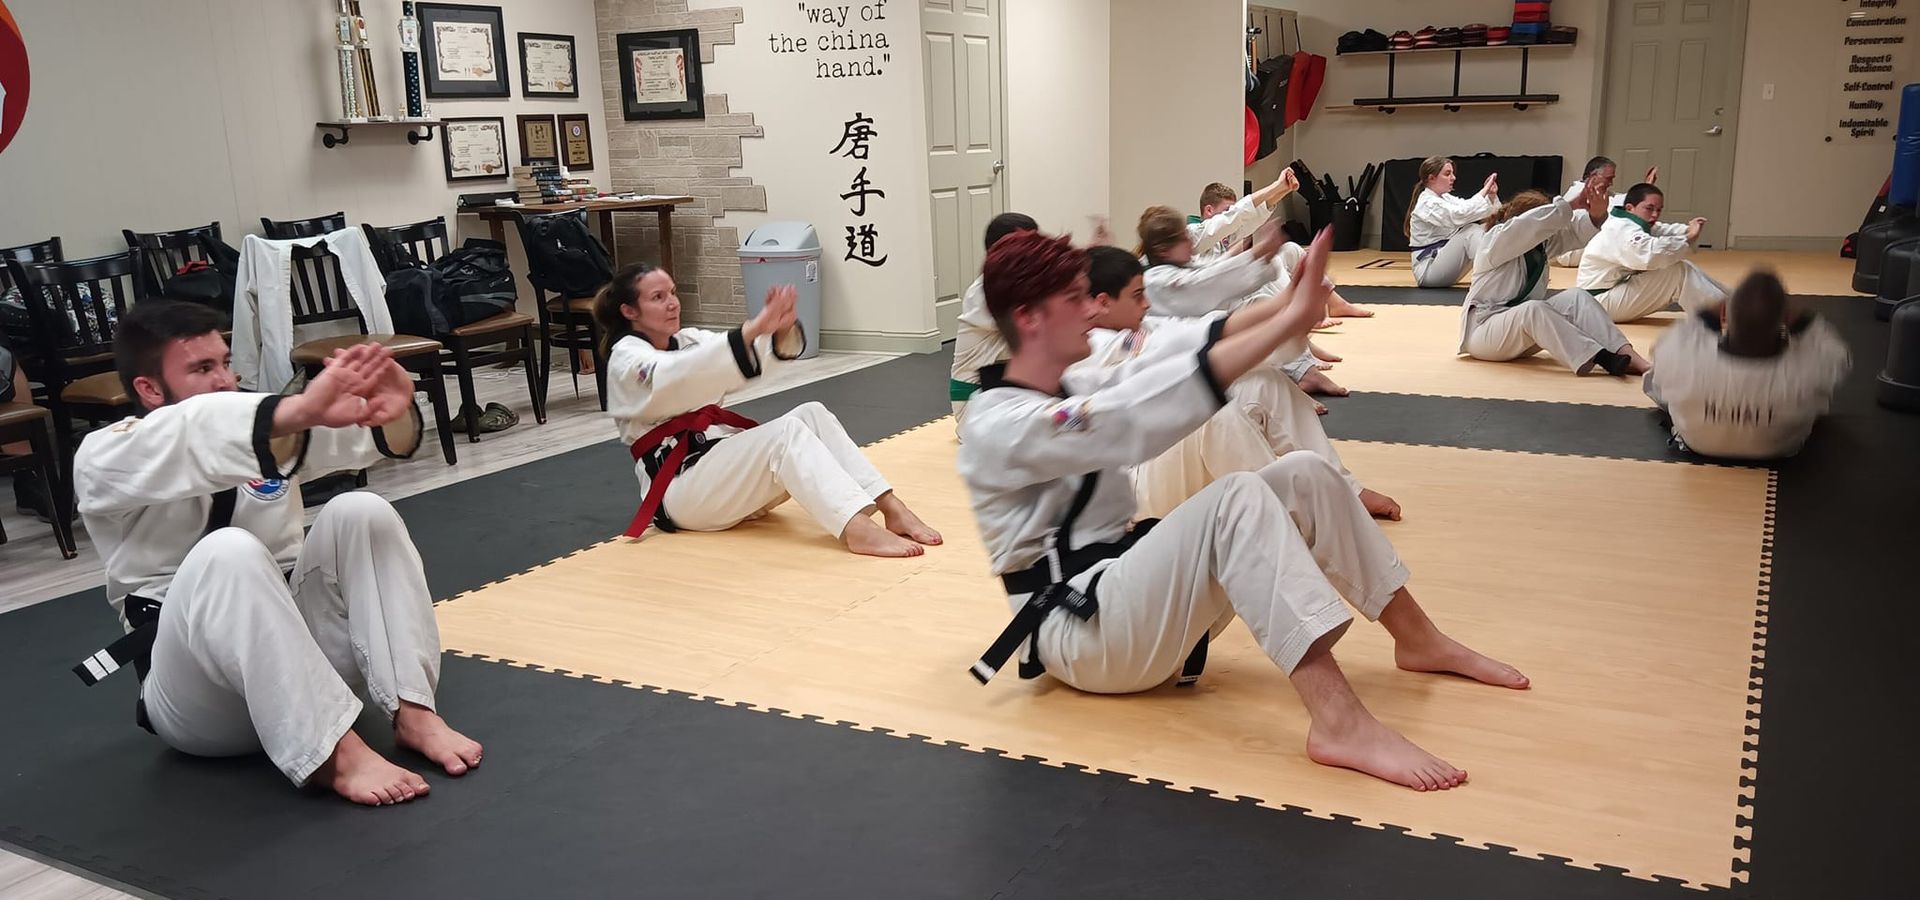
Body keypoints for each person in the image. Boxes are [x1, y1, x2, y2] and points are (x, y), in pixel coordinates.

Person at [960, 229, 1527, 792]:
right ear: (1029, 317)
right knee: (1238, 498)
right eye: (1075, 299)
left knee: (1304, 474)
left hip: (1128, 601)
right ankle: (1339, 722)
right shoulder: (998, 425)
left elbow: (1165, 353)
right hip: (1080, 633)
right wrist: (1285, 321)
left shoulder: (1069, 379)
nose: (1092, 309)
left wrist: (1283, 306)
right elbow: (1125, 419)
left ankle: (1418, 639)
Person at [71, 301, 481, 807]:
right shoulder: (105, 458)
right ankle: (335, 754)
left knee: (361, 510)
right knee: (228, 552)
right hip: (199, 703)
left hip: (302, 673)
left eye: (225, 362)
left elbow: (350, 439)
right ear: (149, 389)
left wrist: (385, 404)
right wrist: (295, 411)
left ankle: (414, 710)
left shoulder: (264, 427)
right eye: (202, 369)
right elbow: (193, 432)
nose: (225, 380)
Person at [596, 262, 941, 557]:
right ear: (629, 311)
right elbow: (680, 376)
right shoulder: (627, 360)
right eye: (658, 297)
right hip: (680, 490)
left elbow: (737, 358)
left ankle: (892, 508)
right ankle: (855, 528)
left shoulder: (688, 341)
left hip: (718, 478)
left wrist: (779, 330)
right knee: (785, 435)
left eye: (672, 292)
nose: (672, 303)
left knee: (811, 413)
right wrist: (751, 329)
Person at [1079, 245, 1401, 520]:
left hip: (1166, 458)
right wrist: (1288, 313)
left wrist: (1287, 300)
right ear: (1103, 302)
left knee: (1263, 381)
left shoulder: (1142, 324)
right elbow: (1185, 352)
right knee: (1214, 408)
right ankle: (1281, 516)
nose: (1146, 303)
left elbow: (1205, 329)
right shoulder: (1092, 345)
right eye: (1137, 296)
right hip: (1137, 487)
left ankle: (1344, 489)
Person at [1137, 206, 1349, 397]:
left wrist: (1254, 254)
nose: (1190, 241)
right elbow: (1205, 283)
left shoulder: (1177, 265)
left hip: (1205, 332)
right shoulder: (1155, 280)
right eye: (1184, 238)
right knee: (1256, 309)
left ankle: (1303, 359)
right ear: (1163, 250)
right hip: (1186, 351)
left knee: (1259, 300)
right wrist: (1258, 253)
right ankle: (1300, 346)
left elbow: (1210, 270)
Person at [1644, 272, 1850, 458]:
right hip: (1779, 448)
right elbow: (1838, 355)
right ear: (1785, 320)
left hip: (1697, 443)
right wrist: (1801, 319)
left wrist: (1709, 316)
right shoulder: (1810, 369)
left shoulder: (1682, 358)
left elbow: (1665, 345)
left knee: (1657, 379)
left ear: (1726, 315)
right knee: (1817, 396)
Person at [1458, 187, 1654, 376]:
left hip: (1522, 334)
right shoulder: (1494, 242)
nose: (1547, 230)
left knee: (1577, 297)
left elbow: (1572, 233)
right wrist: (1567, 205)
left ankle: (1631, 358)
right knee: (1533, 308)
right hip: (1484, 335)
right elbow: (1528, 226)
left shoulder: (1538, 248)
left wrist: (1595, 214)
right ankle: (1601, 357)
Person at [1191, 177, 1373, 317]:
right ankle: (1296, 313)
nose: (1229, 216)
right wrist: (1276, 187)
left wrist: (1282, 190)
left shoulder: (1224, 234)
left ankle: (1335, 302)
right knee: (1270, 263)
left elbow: (1250, 218)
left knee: (1291, 249)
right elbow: (1236, 216)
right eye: (1226, 211)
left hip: (1234, 288)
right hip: (1220, 302)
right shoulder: (1194, 235)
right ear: (1208, 210)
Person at [1577, 183, 1729, 323]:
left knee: (1683, 266)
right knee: (1677, 273)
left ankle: (1732, 303)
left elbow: (1663, 231)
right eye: (1649, 209)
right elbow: (1652, 255)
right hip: (1597, 303)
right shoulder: (1621, 230)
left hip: (1611, 293)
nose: (1655, 214)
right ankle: (1725, 314)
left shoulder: (1632, 222)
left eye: (1659, 209)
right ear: (1630, 208)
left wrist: (1687, 229)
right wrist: (1689, 238)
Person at [951, 212, 1040, 427]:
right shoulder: (983, 292)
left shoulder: (1019, 284)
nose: (1034, 253)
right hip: (976, 400)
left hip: (1007, 388)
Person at [1406, 156, 1500, 288]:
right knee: (1471, 231)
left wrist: (1491, 195)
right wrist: (1483, 191)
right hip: (1428, 271)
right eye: (1447, 174)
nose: (1453, 178)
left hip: (1443, 266)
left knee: (1488, 227)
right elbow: (1460, 214)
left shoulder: (1445, 198)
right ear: (1432, 178)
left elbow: (1474, 209)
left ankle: (1496, 271)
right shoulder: (1426, 203)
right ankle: (1492, 276)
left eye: (1453, 173)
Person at [1552, 157, 1656, 267]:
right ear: (1593, 177)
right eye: (1609, 178)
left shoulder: (1600, 192)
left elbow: (1621, 199)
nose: (1611, 183)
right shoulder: (1579, 193)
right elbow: (1618, 208)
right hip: (1570, 254)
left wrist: (1646, 187)